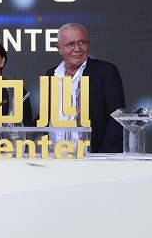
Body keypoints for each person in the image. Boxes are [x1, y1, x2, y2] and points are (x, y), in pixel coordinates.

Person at [45, 22, 125, 153]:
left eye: (82, 42)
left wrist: (104, 156)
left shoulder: (105, 71)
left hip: (91, 156)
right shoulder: (51, 74)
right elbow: (46, 114)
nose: (77, 49)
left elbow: (117, 116)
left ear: (88, 44)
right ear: (59, 48)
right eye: (71, 44)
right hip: (53, 154)